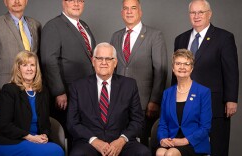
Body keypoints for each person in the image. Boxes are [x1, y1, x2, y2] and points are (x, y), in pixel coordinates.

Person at [173, 0, 239, 155]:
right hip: (185, 104)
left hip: (214, 104)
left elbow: (231, 70)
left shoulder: (224, 37)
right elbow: (175, 72)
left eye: (200, 12)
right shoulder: (180, 39)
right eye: (193, 12)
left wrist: (231, 99)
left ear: (209, 14)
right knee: (189, 148)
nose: (196, 16)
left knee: (216, 147)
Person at [67, 42, 151, 156]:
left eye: (108, 59)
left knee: (143, 153)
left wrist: (121, 140)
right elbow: (72, 122)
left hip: (121, 141)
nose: (103, 63)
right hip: (89, 143)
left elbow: (137, 120)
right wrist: (94, 141)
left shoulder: (129, 85)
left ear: (115, 62)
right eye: (99, 58)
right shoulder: (78, 86)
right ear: (93, 61)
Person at [110, 0, 167, 146]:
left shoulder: (155, 35)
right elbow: (111, 69)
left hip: (143, 103)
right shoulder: (115, 36)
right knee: (119, 144)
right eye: (126, 8)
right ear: (122, 13)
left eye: (133, 8)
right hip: (118, 103)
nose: (129, 11)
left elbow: (160, 71)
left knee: (141, 145)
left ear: (140, 12)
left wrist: (154, 100)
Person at [40, 0, 96, 134]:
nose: (76, 4)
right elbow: (49, 61)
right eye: (72, 0)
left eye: (80, 1)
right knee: (70, 133)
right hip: (66, 93)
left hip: (87, 92)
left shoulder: (84, 26)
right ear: (63, 2)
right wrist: (59, 92)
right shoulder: (53, 26)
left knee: (85, 134)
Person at [0, 51, 64, 156]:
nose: (29, 69)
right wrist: (30, 137)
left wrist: (44, 135)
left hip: (36, 138)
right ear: (18, 68)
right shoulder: (9, 90)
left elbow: (45, 122)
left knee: (57, 149)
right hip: (12, 142)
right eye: (25, 65)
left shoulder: (42, 91)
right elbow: (4, 125)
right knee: (55, 152)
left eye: (32, 65)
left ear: (37, 68)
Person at [0, 0, 41, 119]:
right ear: (5, 2)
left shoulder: (35, 24)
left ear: (26, 1)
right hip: (7, 90)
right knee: (8, 132)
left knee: (33, 130)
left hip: (32, 90)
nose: (17, 1)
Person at [157, 49, 211, 156]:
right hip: (172, 141)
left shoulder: (203, 92)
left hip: (194, 143)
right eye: (178, 64)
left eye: (186, 64)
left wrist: (184, 141)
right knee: (160, 152)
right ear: (173, 68)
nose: (182, 67)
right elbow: (163, 124)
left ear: (191, 68)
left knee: (170, 154)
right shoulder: (167, 93)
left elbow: (205, 127)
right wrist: (162, 139)